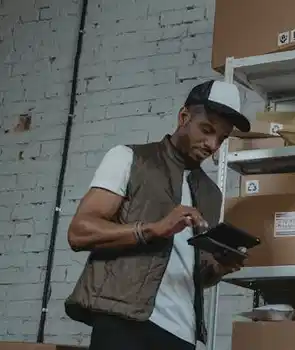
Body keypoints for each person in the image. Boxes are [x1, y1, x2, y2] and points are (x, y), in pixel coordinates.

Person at [64, 80, 252, 350]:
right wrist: (153, 229)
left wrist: (219, 268)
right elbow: (79, 232)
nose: (212, 144)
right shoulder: (129, 158)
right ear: (184, 117)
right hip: (124, 322)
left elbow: (195, 273)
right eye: (207, 130)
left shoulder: (211, 194)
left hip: (182, 334)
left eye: (221, 139)